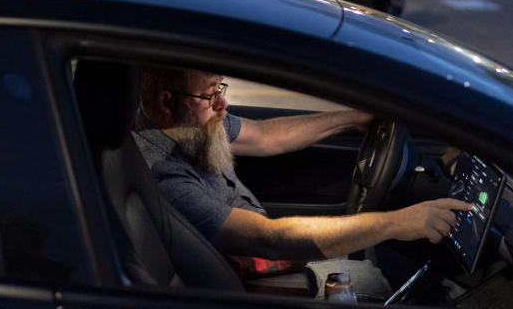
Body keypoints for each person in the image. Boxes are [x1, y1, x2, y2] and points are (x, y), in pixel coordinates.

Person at [132, 65, 471, 300]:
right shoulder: (162, 174)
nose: (223, 104)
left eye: (220, 89)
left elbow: (266, 137)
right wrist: (397, 222)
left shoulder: (193, 121)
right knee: (401, 282)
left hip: (262, 263)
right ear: (165, 102)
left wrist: (353, 119)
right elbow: (272, 238)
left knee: (381, 253)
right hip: (254, 281)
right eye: (210, 94)